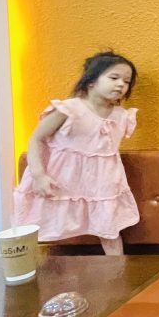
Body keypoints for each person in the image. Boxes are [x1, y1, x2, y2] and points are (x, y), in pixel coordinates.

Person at [13, 51, 140, 255]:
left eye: (126, 81)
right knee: (40, 223)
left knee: (109, 229)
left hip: (102, 184)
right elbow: (36, 138)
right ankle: (25, 267)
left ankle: (118, 270)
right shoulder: (69, 109)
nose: (120, 85)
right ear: (91, 81)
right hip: (60, 180)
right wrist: (39, 175)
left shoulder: (121, 116)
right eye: (113, 78)